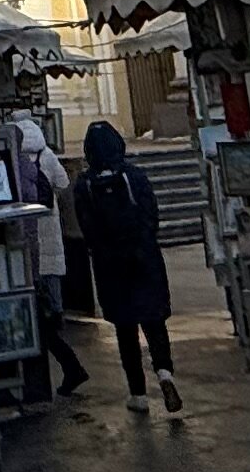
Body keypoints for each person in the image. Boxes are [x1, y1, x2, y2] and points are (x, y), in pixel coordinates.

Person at [77, 120, 180, 414]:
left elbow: (87, 229)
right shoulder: (135, 177)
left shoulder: (85, 185)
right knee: (154, 321)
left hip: (110, 267)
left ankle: (138, 394)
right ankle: (164, 373)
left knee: (125, 329)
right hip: (144, 259)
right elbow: (152, 216)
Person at [3, 117, 89, 396]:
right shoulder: (43, 155)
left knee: (35, 319)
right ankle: (59, 318)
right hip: (44, 231)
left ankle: (68, 367)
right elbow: (64, 184)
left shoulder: (14, 165)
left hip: (24, 246)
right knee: (45, 294)